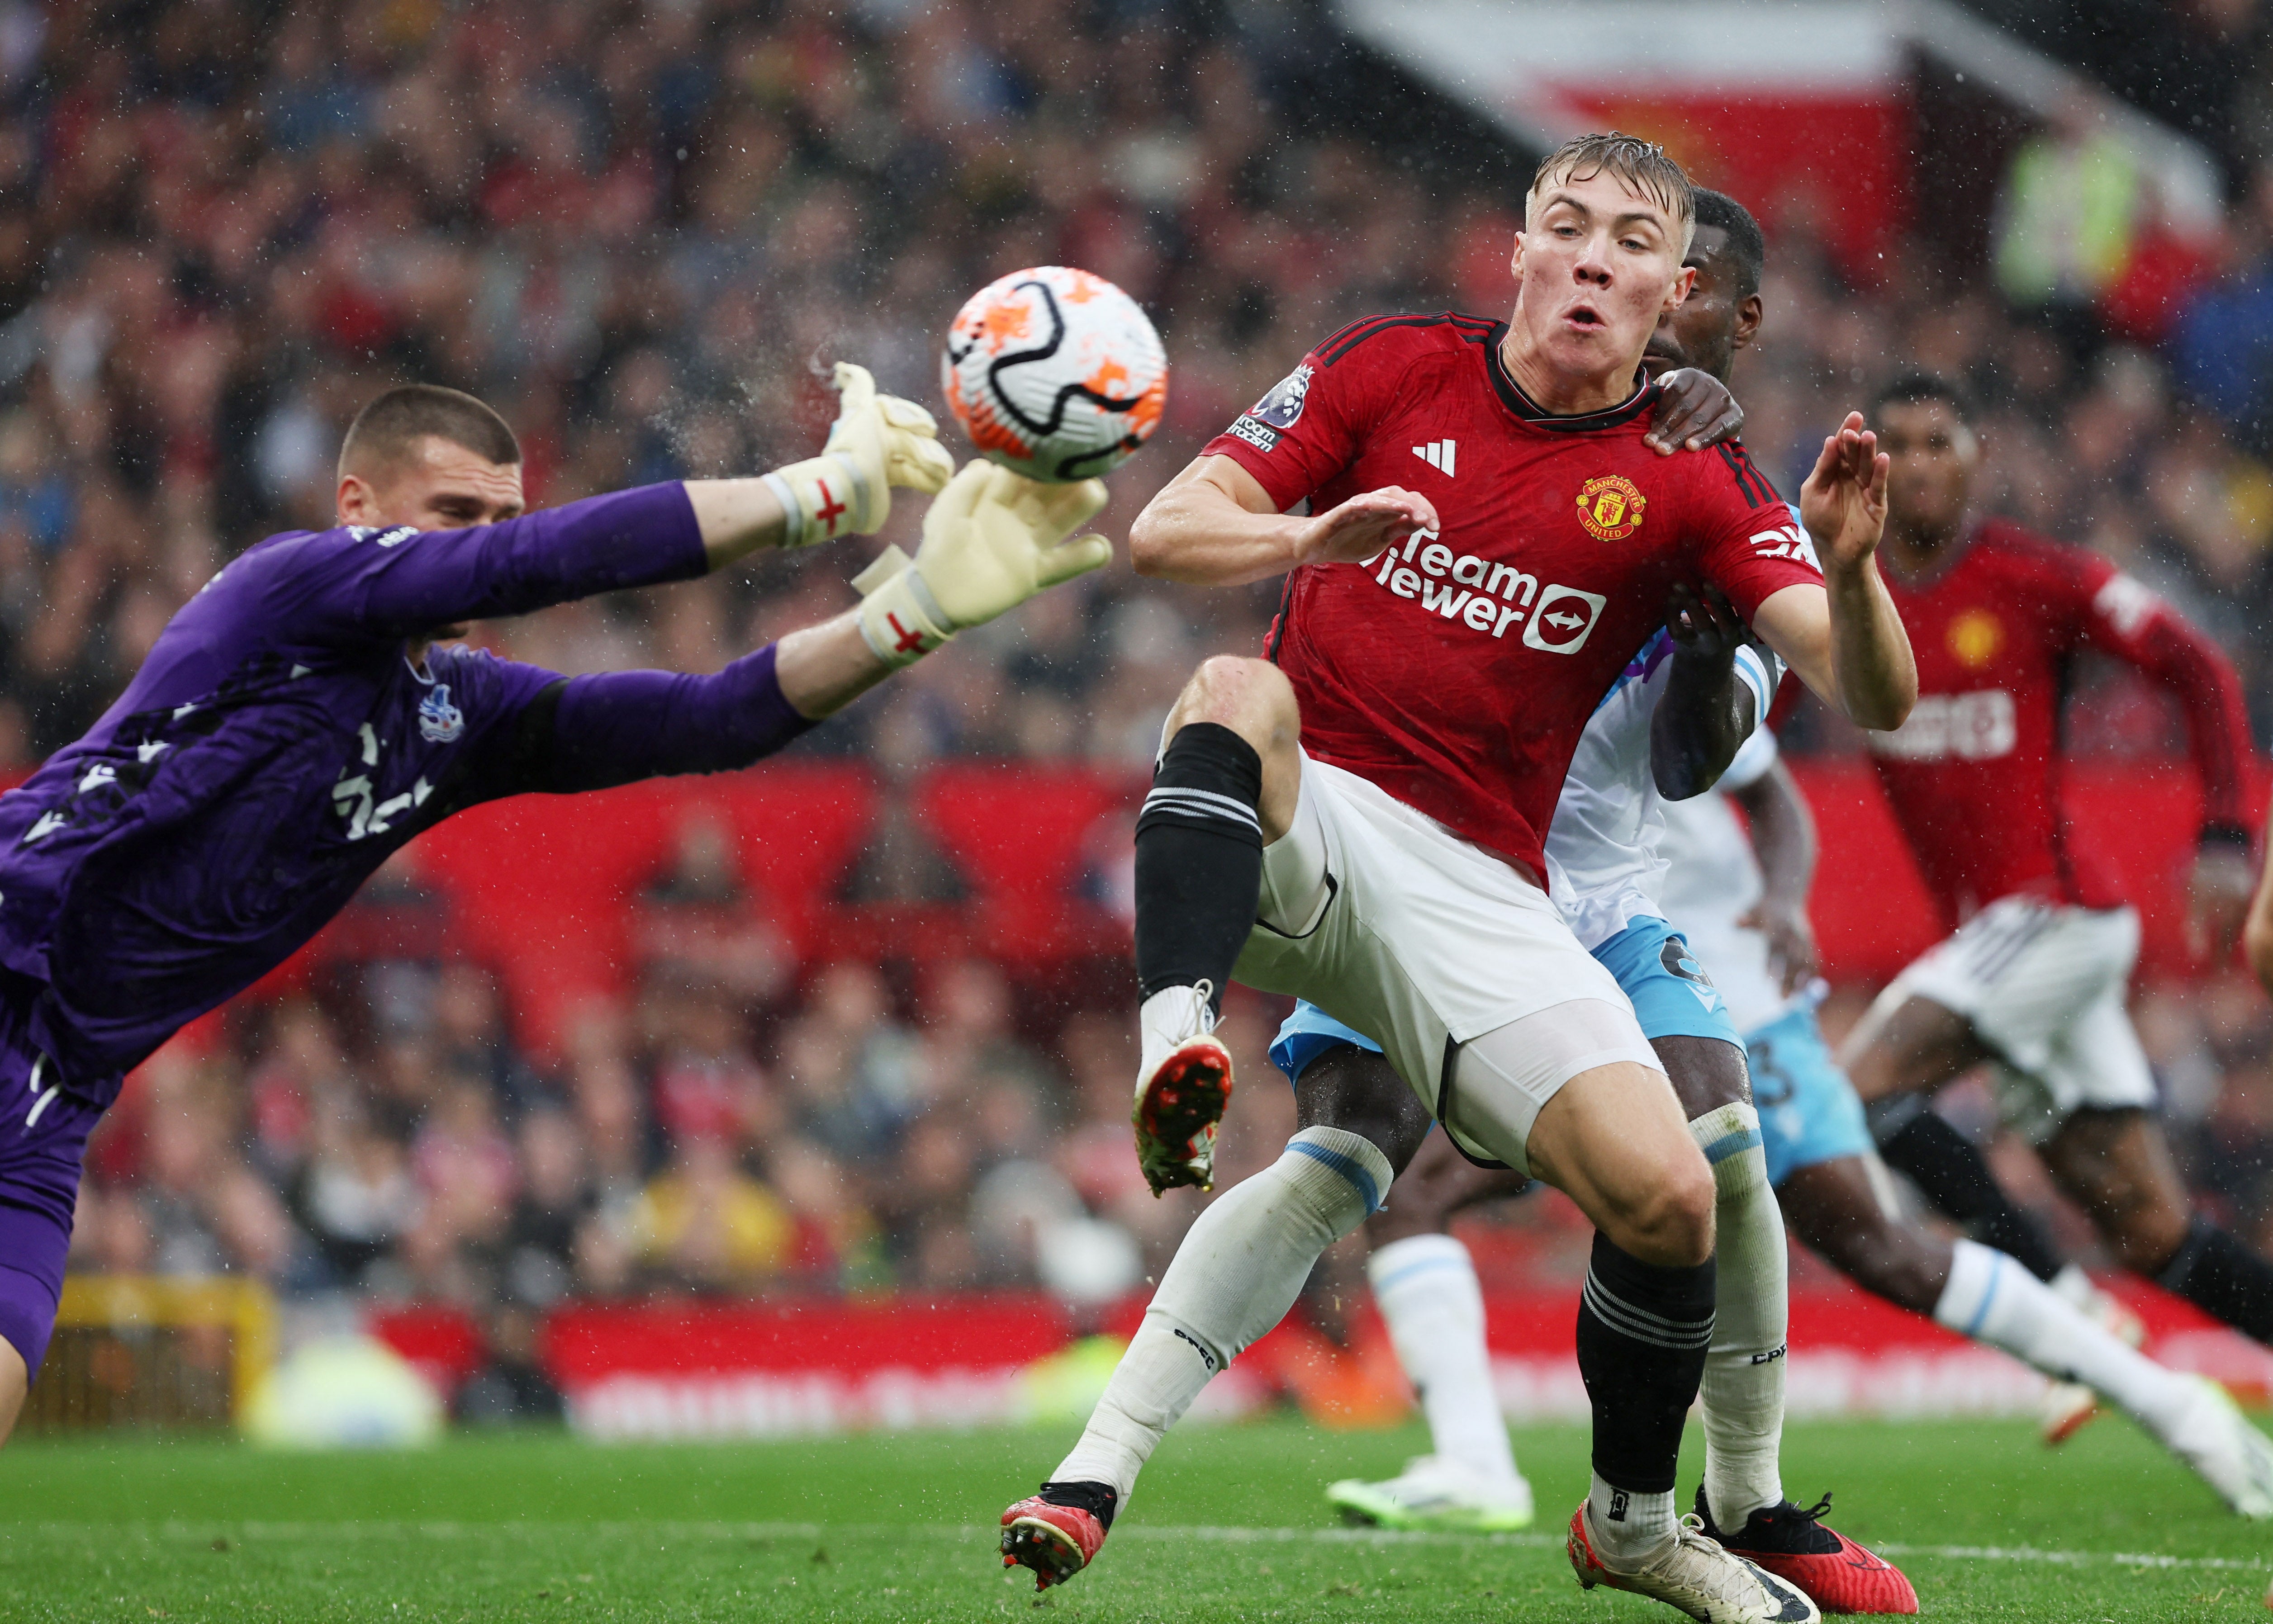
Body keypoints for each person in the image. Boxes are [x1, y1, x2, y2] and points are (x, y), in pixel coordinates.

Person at [1002, 134, 1916, 1624]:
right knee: (1230, 691)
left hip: (1508, 894)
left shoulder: (1695, 479)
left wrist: (1856, 566)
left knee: (1678, 1190)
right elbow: (1162, 532)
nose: (1593, 260)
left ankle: (1649, 1522)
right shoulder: (1386, 368)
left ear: (1667, 290)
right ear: (1517, 249)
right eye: (1568, 227)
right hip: (1320, 828)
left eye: (1631, 242)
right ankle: (1177, 1036)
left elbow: (1860, 694)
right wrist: (1310, 534)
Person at [0, 367, 1116, 1442]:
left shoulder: (458, 712)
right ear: (359, 507)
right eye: (453, 514)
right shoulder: (286, 588)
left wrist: (912, 611)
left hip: (59, 1090)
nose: (481, 540)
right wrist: (810, 496)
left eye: (498, 513)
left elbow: (711, 718)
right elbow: (532, 562)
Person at [1831, 372, 2273, 1366]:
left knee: (1848, 1092)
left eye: (1940, 440)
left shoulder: (2033, 577)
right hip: (2002, 942)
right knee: (2155, 1231)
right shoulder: (1850, 599)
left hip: (2059, 914)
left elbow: (2196, 664)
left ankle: (2065, 1301)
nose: (1922, 463)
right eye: (1897, 444)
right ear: (1872, 467)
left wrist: (2222, 834)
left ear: (1976, 453)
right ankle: (2090, 1298)